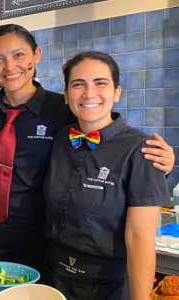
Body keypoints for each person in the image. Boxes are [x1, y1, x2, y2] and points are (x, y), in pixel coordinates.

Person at [0, 24, 174, 272]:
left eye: (19, 55)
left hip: (40, 243)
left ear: (37, 55)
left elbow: (105, 141)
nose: (10, 66)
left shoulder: (63, 109)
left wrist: (153, 163)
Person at [44, 51, 169, 300]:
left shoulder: (142, 150)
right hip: (53, 278)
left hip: (107, 285)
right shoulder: (60, 139)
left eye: (100, 83)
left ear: (117, 92)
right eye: (78, 84)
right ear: (67, 95)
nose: (89, 93)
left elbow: (140, 238)